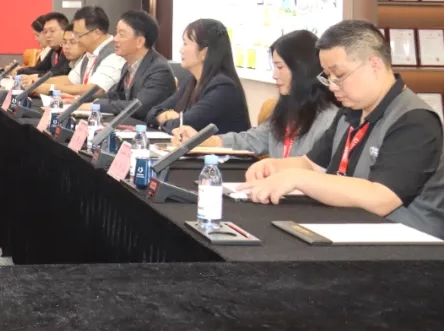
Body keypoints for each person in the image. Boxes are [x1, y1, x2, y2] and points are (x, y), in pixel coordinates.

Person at [238, 20, 444, 237]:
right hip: (351, 230)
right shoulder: (350, 112)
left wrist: (297, 178)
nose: (332, 86)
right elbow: (312, 164)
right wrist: (275, 167)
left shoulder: (415, 120)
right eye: (327, 76)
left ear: (374, 65)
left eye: (339, 75)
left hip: (407, 244)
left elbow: (381, 198)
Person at [172, 30, 338, 157]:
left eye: (280, 67)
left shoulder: (329, 119)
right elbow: (250, 140)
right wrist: (202, 140)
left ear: (302, 69)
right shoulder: (287, 110)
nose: (274, 75)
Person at [146, 18, 251, 134]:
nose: (181, 50)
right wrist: (166, 116)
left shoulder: (223, 87)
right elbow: (152, 113)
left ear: (204, 52)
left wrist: (162, 121)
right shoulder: (192, 81)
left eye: (185, 44)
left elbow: (182, 125)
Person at [97, 10, 176, 121]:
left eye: (121, 34)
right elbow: (118, 96)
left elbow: (138, 107)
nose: (115, 39)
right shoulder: (128, 65)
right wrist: (83, 100)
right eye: (116, 33)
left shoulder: (159, 70)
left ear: (140, 41)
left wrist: (96, 106)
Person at [33, 6, 124, 98]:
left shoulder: (115, 55)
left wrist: (50, 89)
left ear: (96, 33)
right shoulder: (89, 53)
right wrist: (37, 81)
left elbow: (93, 90)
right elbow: (70, 80)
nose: (77, 40)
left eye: (79, 35)